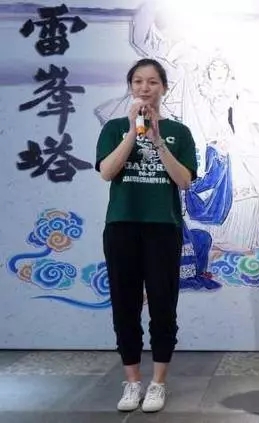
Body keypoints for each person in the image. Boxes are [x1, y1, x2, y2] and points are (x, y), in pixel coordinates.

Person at [95, 58, 197, 413]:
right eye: (138, 81)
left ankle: (158, 383)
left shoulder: (179, 132)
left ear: (163, 88)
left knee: (163, 306)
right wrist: (131, 132)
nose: (144, 88)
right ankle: (132, 381)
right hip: (121, 226)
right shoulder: (113, 129)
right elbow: (107, 172)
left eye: (152, 82)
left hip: (162, 228)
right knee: (125, 305)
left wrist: (156, 139)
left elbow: (184, 181)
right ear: (130, 87)